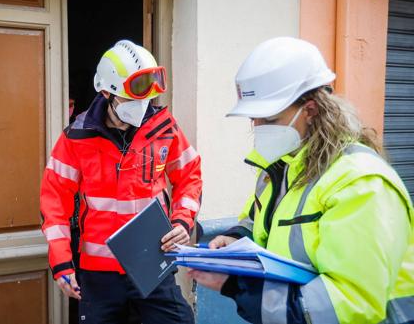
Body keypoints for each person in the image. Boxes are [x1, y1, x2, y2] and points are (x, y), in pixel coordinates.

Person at [189, 37, 414, 324]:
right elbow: (258, 221)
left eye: (269, 119)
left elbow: (349, 306)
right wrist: (236, 237)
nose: (257, 129)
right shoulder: (279, 166)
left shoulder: (361, 183)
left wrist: (234, 285)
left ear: (310, 110)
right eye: (253, 118)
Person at [40, 40, 202, 324]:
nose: (142, 107)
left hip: (152, 263)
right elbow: (54, 200)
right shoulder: (77, 137)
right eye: (133, 99)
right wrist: (61, 261)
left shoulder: (164, 128)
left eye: (147, 99)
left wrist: (182, 222)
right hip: (98, 273)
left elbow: (189, 175)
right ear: (106, 91)